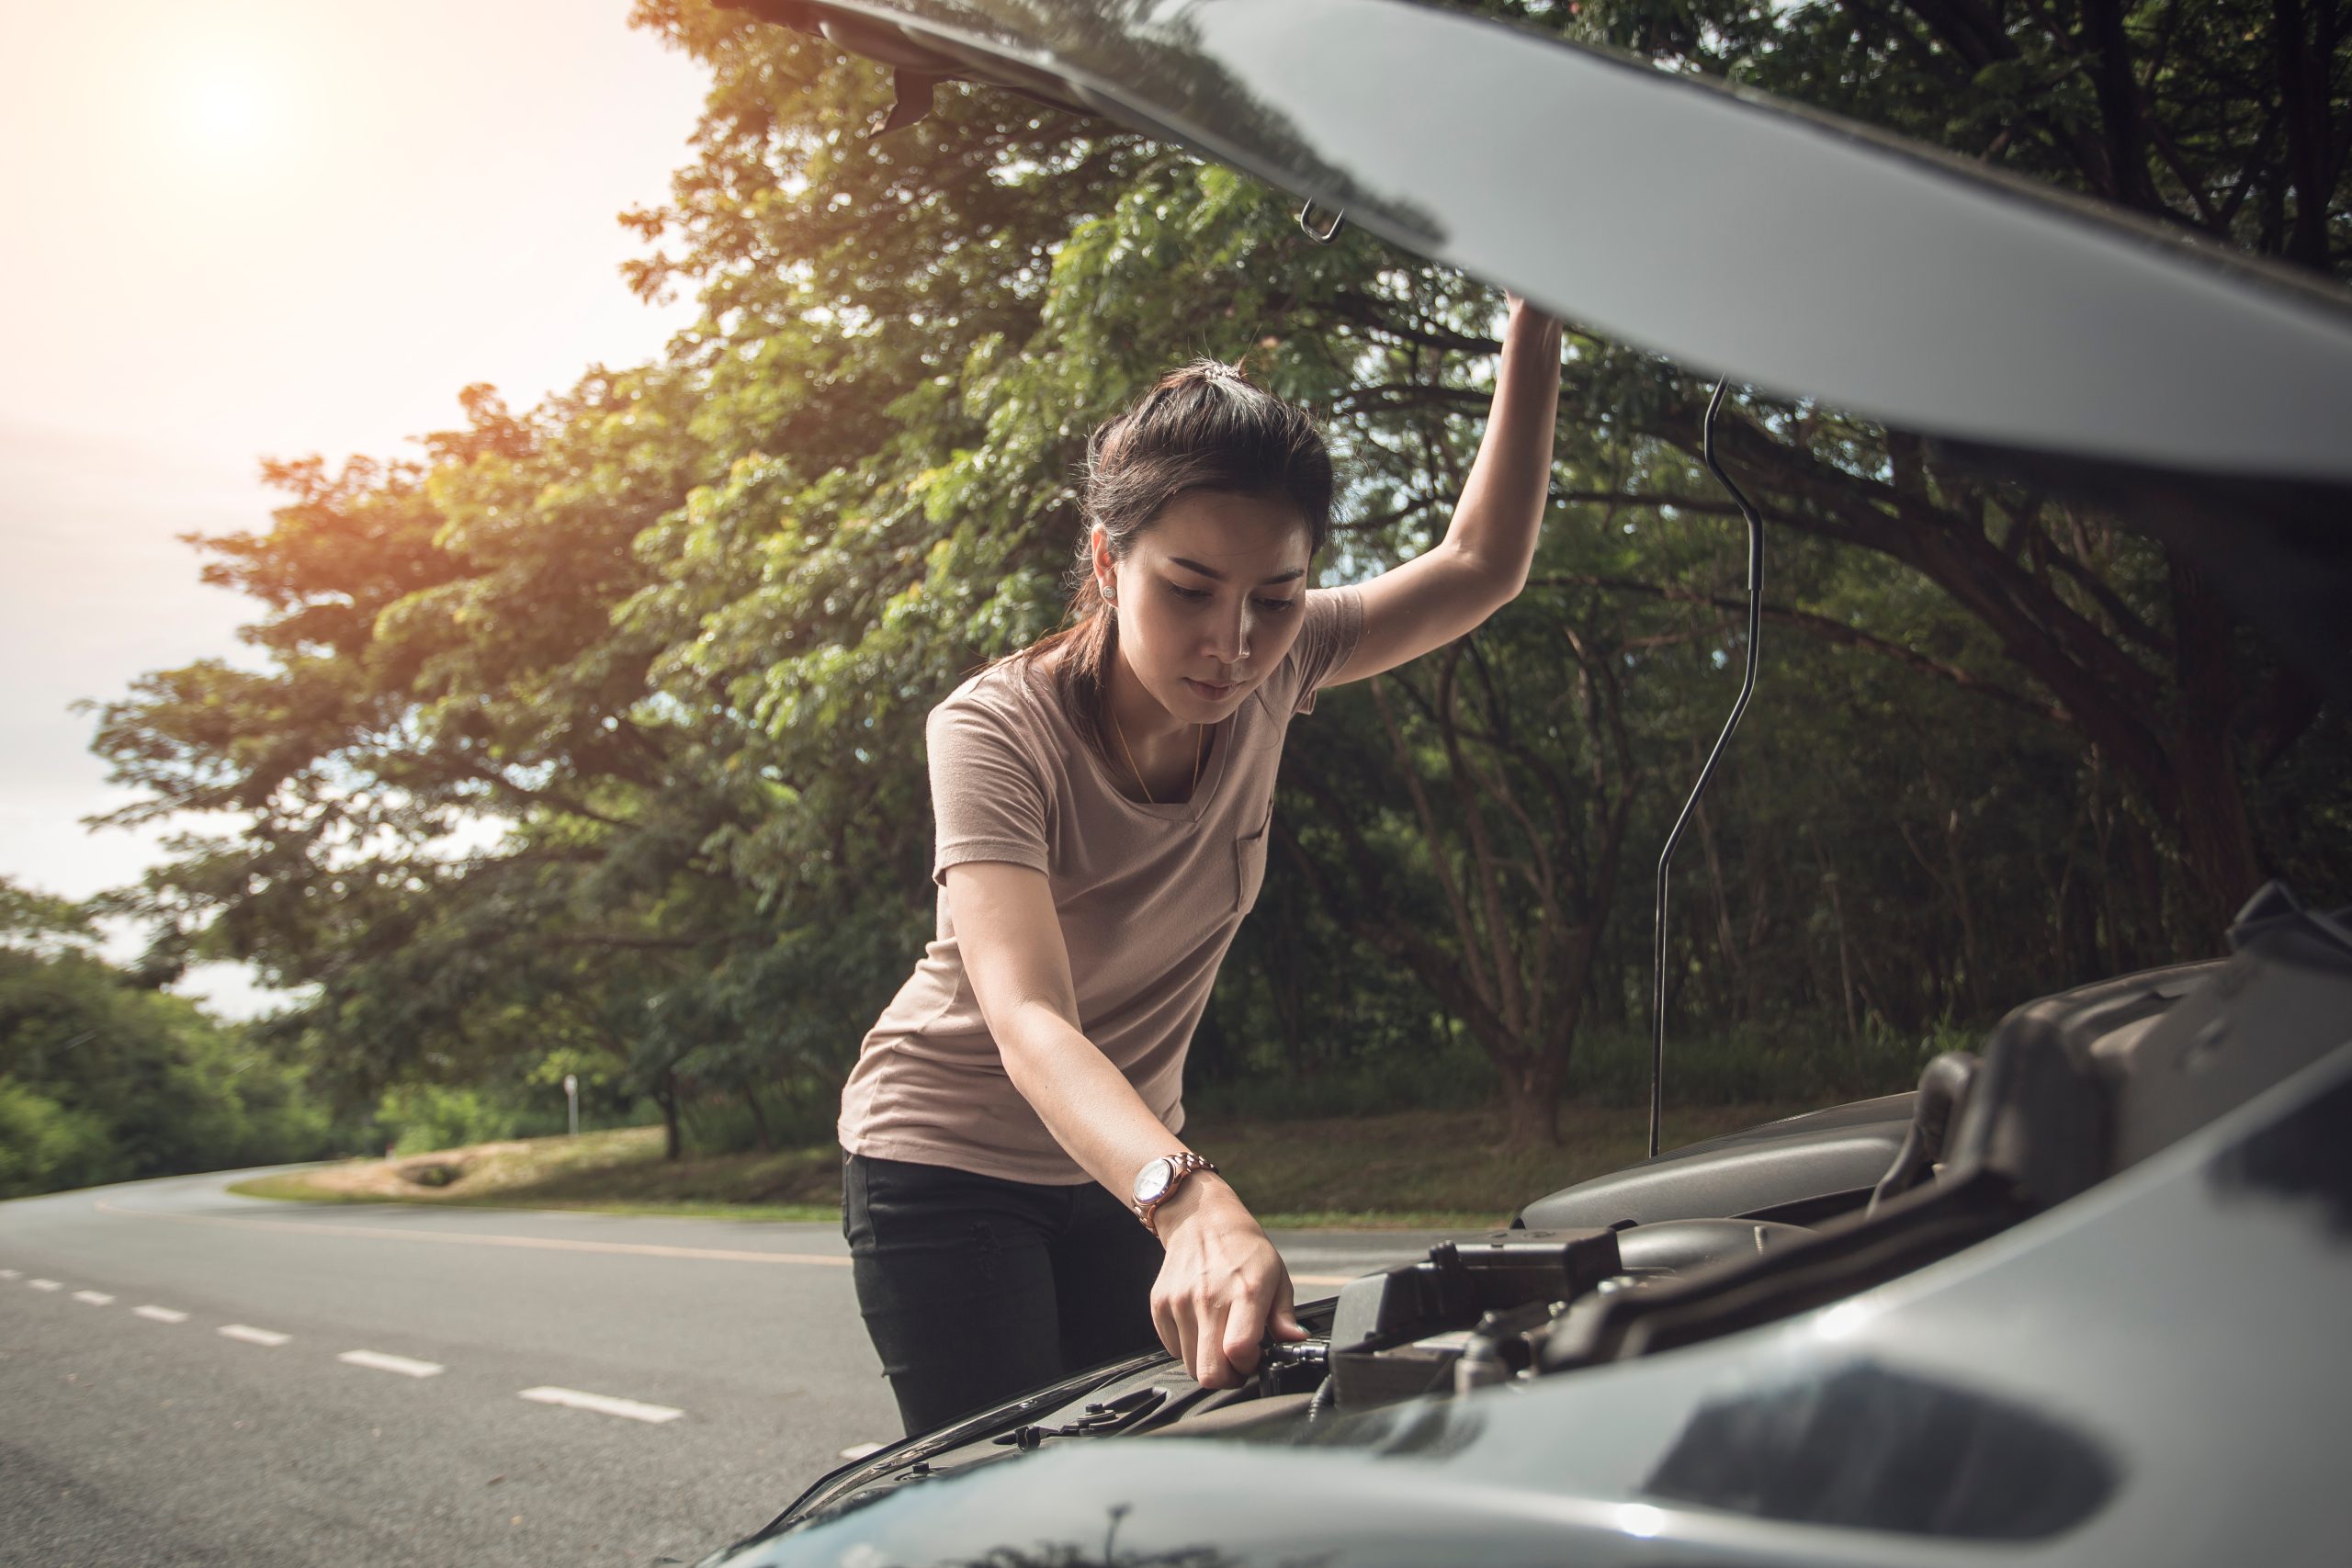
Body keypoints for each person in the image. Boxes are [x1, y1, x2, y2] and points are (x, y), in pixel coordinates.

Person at [838, 298, 1563, 1435]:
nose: (1232, 642)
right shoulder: (994, 729)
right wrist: (1185, 1198)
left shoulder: (1285, 664)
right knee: (1017, 1518)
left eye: (1275, 598)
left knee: (1150, 1490)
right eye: (1188, 590)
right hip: (949, 1166)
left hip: (1123, 1172)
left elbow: (1481, 562)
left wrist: (1538, 314)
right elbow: (1028, 1014)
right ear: (1106, 558)